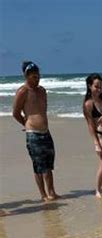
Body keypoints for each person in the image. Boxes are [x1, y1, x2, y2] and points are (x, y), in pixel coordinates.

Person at [12, 61, 59, 202]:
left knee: (49, 164)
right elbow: (15, 113)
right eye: (33, 76)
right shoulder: (23, 91)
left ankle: (52, 192)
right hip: (33, 133)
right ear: (26, 76)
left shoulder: (42, 90)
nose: (37, 79)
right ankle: (43, 195)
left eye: (38, 76)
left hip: (46, 132)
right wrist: (26, 124)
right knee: (38, 166)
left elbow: (42, 111)